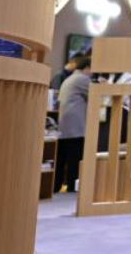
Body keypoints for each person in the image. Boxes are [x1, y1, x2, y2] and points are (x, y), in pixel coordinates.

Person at [55, 55, 91, 194]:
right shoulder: (82, 79)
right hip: (75, 127)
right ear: (87, 68)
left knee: (62, 158)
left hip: (65, 125)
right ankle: (72, 187)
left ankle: (57, 185)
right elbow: (96, 94)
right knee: (74, 159)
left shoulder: (69, 78)